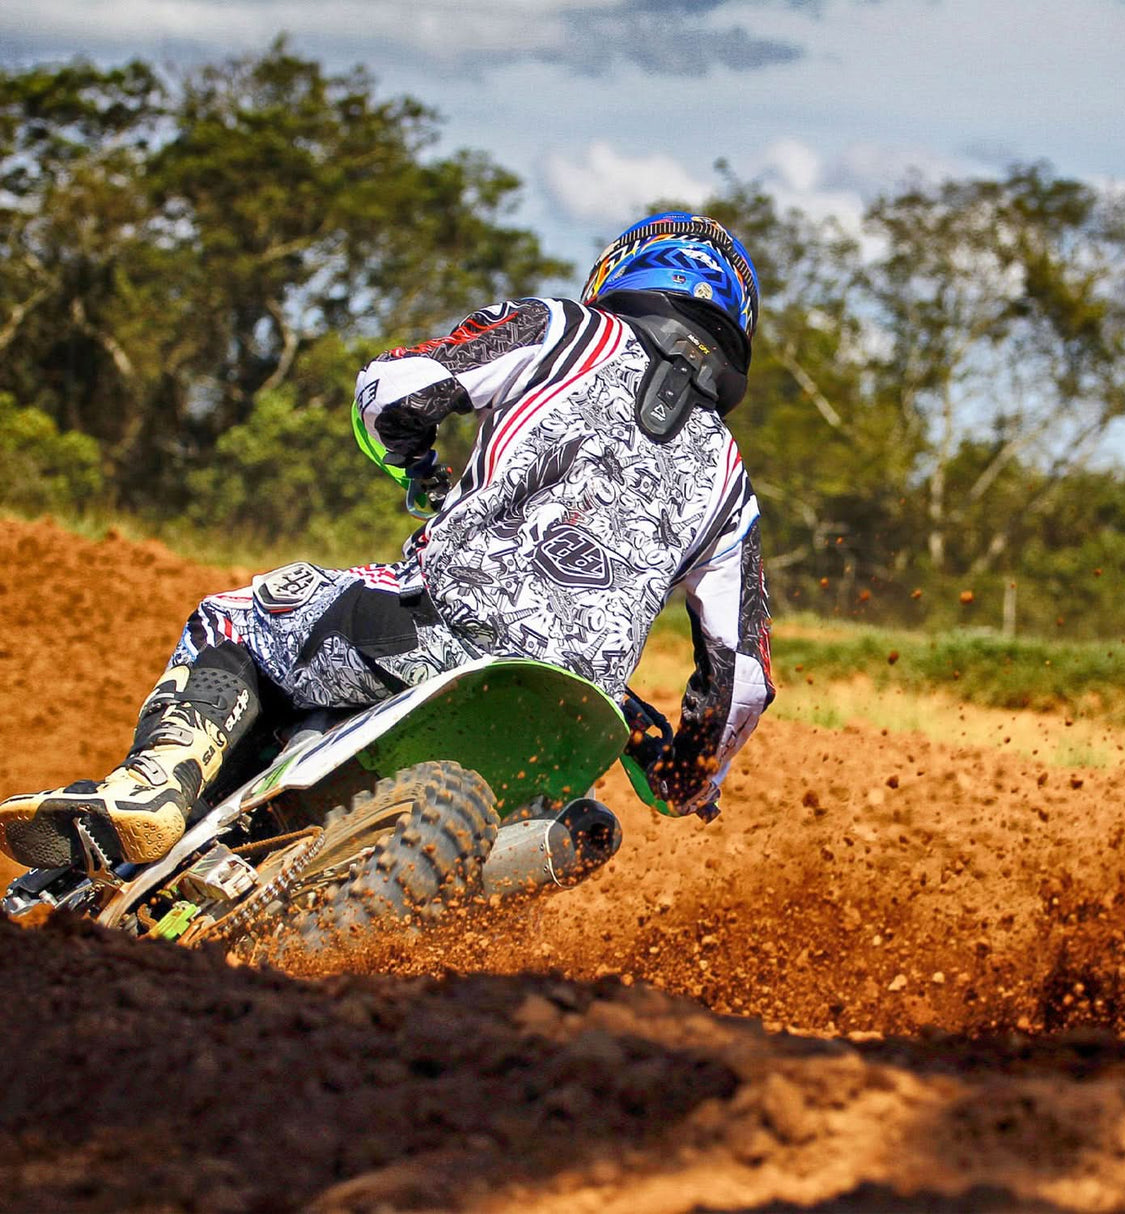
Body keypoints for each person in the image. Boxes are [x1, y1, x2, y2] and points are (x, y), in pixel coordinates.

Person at [0, 211, 776, 873]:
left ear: (625, 272)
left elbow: (392, 389)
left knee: (238, 618)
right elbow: (741, 682)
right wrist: (684, 779)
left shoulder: (566, 330)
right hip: (575, 724)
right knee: (579, 820)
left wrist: (418, 468)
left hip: (435, 630)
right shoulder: (733, 486)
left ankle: (155, 788)